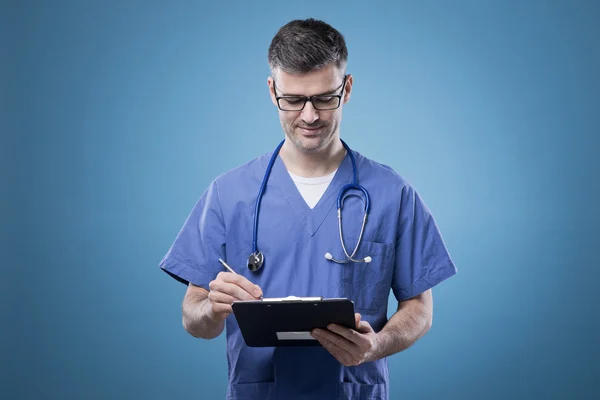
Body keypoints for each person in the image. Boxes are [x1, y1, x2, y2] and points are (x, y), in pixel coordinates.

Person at [160, 18, 457, 400]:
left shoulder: (391, 193)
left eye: (323, 98)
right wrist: (212, 309)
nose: (310, 116)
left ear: (346, 89)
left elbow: (420, 309)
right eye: (294, 100)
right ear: (272, 91)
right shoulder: (227, 194)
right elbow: (194, 320)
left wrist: (376, 345)